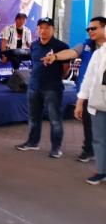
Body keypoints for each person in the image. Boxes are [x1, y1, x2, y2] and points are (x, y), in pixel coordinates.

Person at [43, 16, 106, 162]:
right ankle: (89, 150)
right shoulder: (86, 45)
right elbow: (71, 52)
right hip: (88, 93)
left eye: (93, 28)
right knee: (89, 124)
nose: (90, 31)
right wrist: (55, 56)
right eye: (88, 29)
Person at [15, 17, 70, 158]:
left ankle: (56, 148)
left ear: (53, 29)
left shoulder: (61, 46)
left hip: (53, 88)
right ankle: (33, 143)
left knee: (55, 119)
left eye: (47, 27)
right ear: (37, 29)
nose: (43, 30)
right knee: (33, 117)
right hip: (33, 87)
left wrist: (56, 78)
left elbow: (66, 69)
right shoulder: (34, 45)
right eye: (41, 27)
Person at [74, 36, 106, 184]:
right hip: (99, 103)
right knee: (99, 139)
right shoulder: (98, 54)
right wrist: (80, 101)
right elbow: (88, 79)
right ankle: (101, 171)